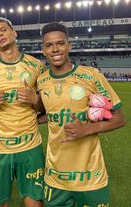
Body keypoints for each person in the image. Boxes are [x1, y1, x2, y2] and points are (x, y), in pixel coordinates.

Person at [37, 22, 125, 207]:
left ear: (69, 46)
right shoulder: (41, 80)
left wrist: (88, 129)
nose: (55, 49)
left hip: (91, 176)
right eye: (49, 45)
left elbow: (119, 118)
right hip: (55, 176)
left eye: (60, 43)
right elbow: (50, 113)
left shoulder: (91, 75)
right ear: (43, 50)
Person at [0, 17, 45, 207]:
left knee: (35, 201)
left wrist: (35, 100)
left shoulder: (36, 66)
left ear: (14, 32)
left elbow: (44, 108)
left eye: (3, 30)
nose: (0, 35)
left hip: (30, 146)